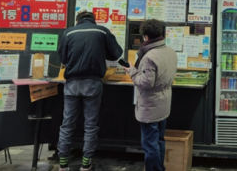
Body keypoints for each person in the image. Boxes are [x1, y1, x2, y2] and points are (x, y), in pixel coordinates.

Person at [57, 11, 123, 171]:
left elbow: (63, 59)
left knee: (67, 124)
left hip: (72, 84)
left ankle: (63, 163)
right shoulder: (102, 31)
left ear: (78, 20)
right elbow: (116, 54)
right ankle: (86, 164)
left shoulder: (68, 32)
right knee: (90, 125)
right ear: (93, 20)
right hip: (93, 83)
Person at [124, 19, 177, 171]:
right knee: (159, 140)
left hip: (150, 106)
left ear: (146, 37)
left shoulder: (149, 57)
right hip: (164, 102)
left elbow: (146, 83)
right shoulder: (169, 51)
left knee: (150, 145)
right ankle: (160, 168)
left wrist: (132, 72)